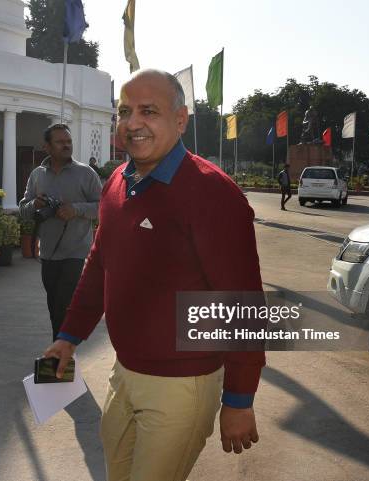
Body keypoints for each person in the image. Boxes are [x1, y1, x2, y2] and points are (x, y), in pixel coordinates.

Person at [43, 70, 265, 481]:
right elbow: (99, 263)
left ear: (180, 120)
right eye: (125, 111)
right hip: (123, 374)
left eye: (149, 111)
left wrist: (239, 398)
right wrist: (69, 336)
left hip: (182, 386)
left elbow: (243, 305)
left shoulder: (213, 193)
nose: (133, 123)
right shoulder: (116, 182)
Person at [19, 124, 101, 341]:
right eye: (60, 142)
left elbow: (103, 207)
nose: (66, 145)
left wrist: (75, 209)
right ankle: (61, 354)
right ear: (47, 146)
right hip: (48, 252)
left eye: (69, 141)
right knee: (54, 303)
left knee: (63, 304)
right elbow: (23, 209)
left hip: (76, 251)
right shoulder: (37, 175)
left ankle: (59, 355)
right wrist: (36, 205)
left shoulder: (86, 173)